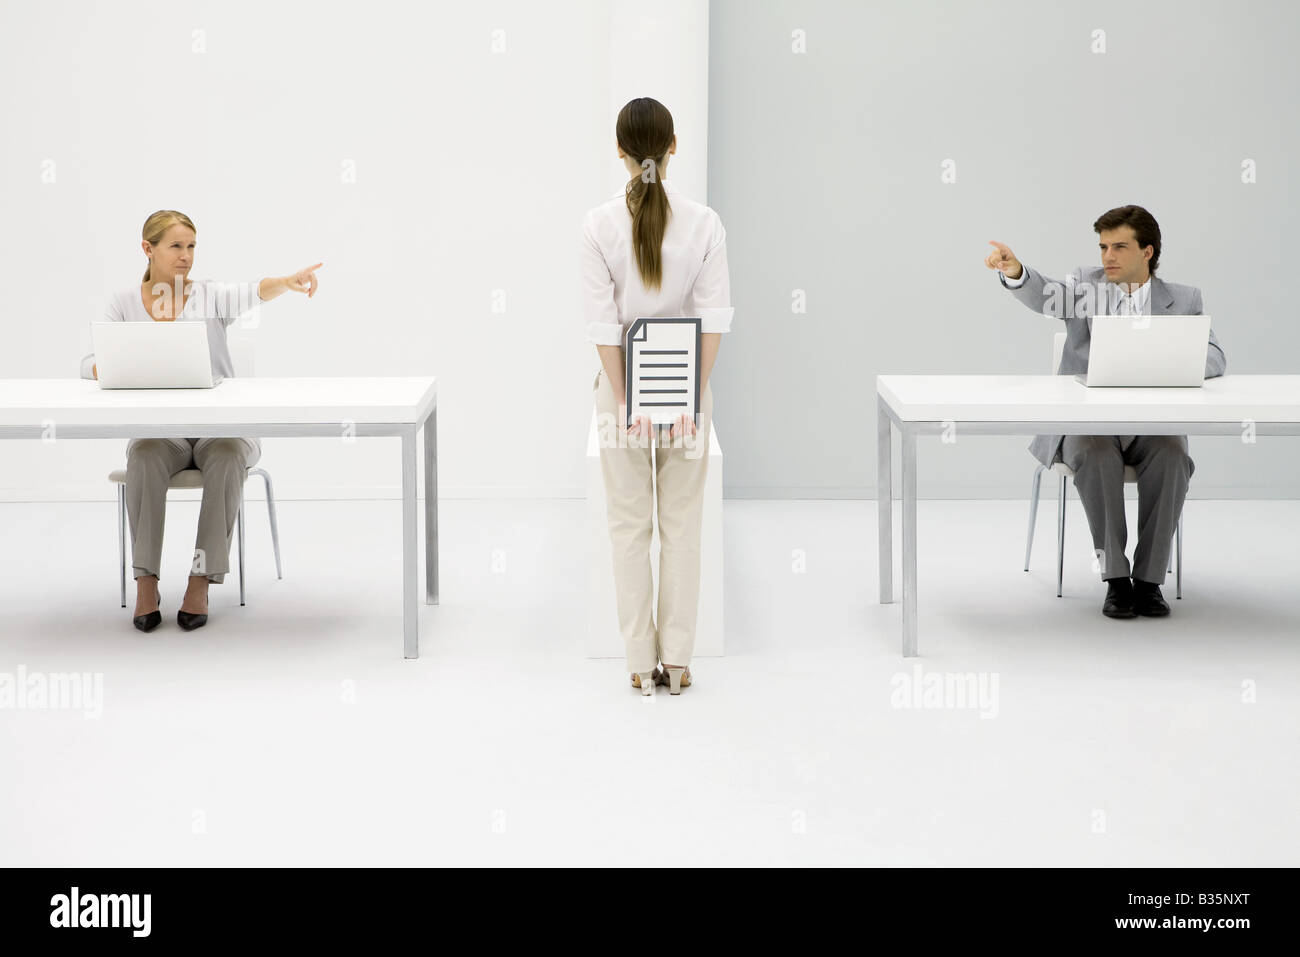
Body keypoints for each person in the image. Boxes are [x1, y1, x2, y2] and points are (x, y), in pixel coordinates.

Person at [81, 209, 321, 632]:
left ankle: (200, 579)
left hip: (219, 430)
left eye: (191, 246)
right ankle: (146, 582)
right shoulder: (123, 302)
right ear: (147, 248)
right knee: (144, 453)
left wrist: (286, 282)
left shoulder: (209, 295)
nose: (186, 256)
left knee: (228, 453)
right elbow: (90, 362)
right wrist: (105, 367)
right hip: (164, 433)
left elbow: (254, 291)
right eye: (176, 246)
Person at [985, 205, 1226, 619]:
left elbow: (1215, 356)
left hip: (1152, 427)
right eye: (1102, 247)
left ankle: (1149, 583)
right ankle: (1116, 580)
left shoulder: (1184, 299)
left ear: (1148, 252)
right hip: (1091, 426)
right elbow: (1043, 294)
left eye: (1119, 246)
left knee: (1173, 456)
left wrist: (1165, 365)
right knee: (1095, 454)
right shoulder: (1083, 288)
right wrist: (1015, 270)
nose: (1107, 257)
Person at [579, 98, 733, 695]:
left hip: (621, 393)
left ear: (619, 152)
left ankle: (641, 664)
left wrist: (625, 401)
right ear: (674, 147)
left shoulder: (596, 225)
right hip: (686, 388)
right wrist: (690, 398)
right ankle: (681, 661)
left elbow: (601, 326)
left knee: (627, 526)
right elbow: (714, 318)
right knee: (682, 526)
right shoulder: (705, 223)